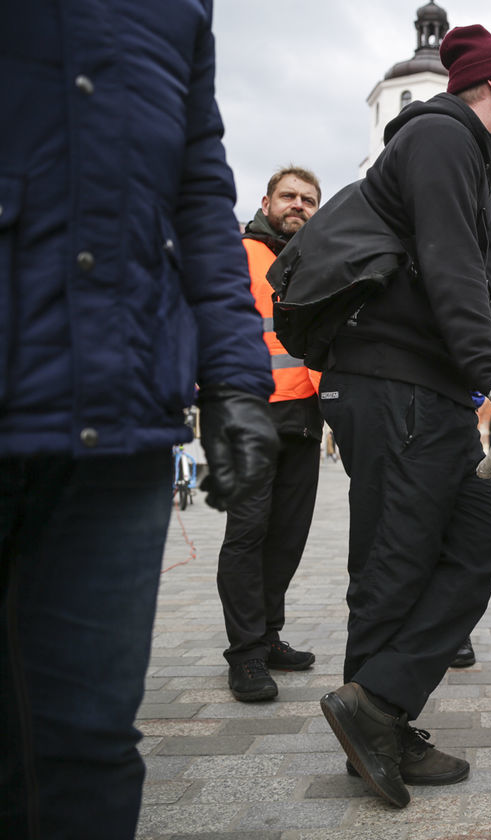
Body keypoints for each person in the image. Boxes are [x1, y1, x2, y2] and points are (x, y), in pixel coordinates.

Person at [1, 3, 278, 837]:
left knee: (88, 749)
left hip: (119, 416)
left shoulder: (184, 7)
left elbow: (197, 193)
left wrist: (235, 377)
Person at [316, 25, 491, 808]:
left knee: (471, 544)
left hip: (420, 386)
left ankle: (377, 708)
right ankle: (375, 724)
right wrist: (489, 378)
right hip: (397, 380)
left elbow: (483, 282)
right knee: (398, 563)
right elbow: (445, 265)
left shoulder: (469, 161)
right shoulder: (441, 137)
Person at [217, 168, 325, 702]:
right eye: (289, 196)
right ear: (267, 201)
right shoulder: (240, 254)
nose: (298, 205)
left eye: (308, 199)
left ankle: (268, 634)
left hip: (304, 418)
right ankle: (245, 655)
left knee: (287, 535)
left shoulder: (318, 260)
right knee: (248, 533)